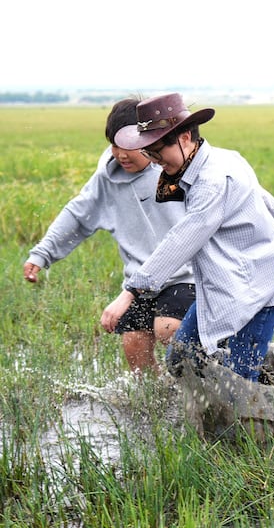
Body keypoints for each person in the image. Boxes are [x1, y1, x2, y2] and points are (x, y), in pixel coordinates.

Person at [101, 92, 274, 383]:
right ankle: (258, 363)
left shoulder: (212, 181)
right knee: (180, 360)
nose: (154, 162)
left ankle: (257, 386)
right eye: (149, 154)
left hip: (257, 289)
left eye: (158, 152)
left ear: (186, 137)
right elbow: (262, 196)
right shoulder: (217, 158)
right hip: (225, 282)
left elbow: (182, 240)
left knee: (240, 383)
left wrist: (129, 293)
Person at [24, 98, 196, 375]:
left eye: (129, 146)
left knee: (168, 329)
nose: (121, 154)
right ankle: (160, 404)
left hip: (184, 273)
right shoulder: (107, 177)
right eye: (115, 145)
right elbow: (78, 214)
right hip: (139, 279)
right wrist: (42, 254)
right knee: (134, 346)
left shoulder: (175, 166)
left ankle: (213, 382)